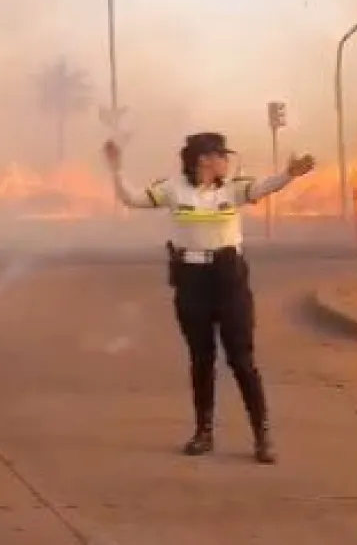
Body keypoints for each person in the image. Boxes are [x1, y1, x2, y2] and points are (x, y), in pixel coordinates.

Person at [102, 132, 316, 464]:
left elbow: (263, 187)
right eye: (220, 155)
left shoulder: (232, 188)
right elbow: (133, 199)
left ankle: (262, 435)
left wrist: (289, 174)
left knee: (241, 359)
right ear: (203, 159)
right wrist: (116, 169)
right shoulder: (173, 189)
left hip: (229, 278)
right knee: (201, 358)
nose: (225, 161)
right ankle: (204, 432)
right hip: (191, 279)